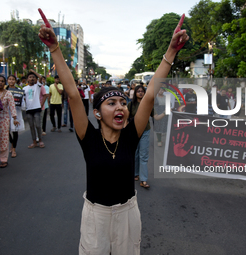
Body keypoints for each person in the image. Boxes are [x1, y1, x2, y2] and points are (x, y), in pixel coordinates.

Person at [38, 8, 188, 254]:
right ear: (97, 113)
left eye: (122, 103)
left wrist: (171, 51)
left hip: (128, 214)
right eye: (111, 103)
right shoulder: (89, 137)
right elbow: (73, 94)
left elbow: (150, 94)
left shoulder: (131, 136)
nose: (120, 107)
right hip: (94, 216)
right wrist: (55, 49)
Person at [128, 85, 153, 188]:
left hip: (145, 131)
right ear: (135, 93)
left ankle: (143, 179)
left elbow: (155, 116)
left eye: (142, 91)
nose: (140, 93)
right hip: (133, 131)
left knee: (143, 155)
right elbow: (126, 117)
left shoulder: (148, 104)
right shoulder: (131, 104)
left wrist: (166, 112)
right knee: (135, 154)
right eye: (138, 91)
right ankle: (135, 173)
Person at [0, 75, 18, 168]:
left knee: (4, 138)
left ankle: (3, 159)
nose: (0, 83)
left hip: (4, 119)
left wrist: (15, 118)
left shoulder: (8, 93)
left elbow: (12, 106)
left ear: (5, 83)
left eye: (2, 81)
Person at [23, 72, 46, 148]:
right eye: (30, 77)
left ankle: (40, 140)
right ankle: (34, 141)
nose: (32, 78)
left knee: (38, 125)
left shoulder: (37, 86)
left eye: (33, 77)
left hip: (37, 109)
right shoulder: (24, 89)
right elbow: (23, 99)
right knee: (31, 126)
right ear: (27, 79)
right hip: (29, 109)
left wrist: (33, 71)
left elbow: (40, 77)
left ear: (35, 79)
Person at [6, 75, 25, 158]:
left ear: (15, 81)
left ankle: (14, 148)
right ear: (7, 80)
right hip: (6, 113)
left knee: (15, 131)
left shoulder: (19, 91)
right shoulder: (4, 90)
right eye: (9, 79)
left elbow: (23, 103)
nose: (11, 81)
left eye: (13, 79)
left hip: (16, 112)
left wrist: (22, 103)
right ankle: (12, 143)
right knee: (7, 131)